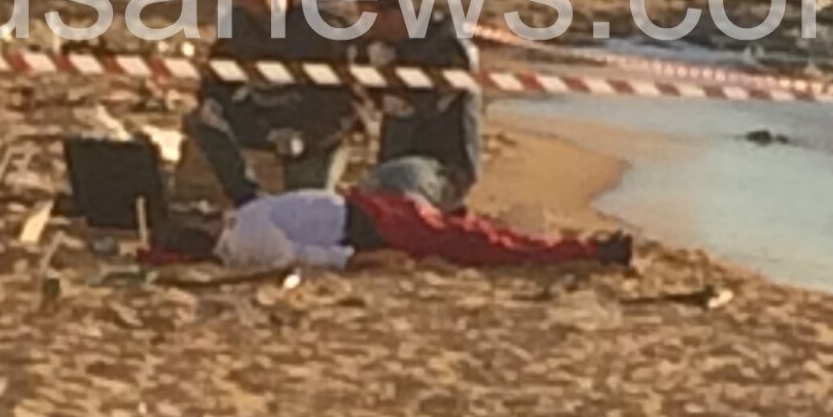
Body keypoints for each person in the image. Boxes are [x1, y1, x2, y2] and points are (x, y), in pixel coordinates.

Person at [183, 0, 359, 206]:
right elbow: (217, 79)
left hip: (313, 130)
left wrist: (308, 136)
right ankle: (247, 198)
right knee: (201, 122)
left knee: (305, 208)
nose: (267, 5)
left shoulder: (321, 29)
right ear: (243, 0)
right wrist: (214, 105)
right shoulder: (237, 29)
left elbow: (346, 101)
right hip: (263, 119)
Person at [212, 183, 631, 275]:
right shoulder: (247, 233)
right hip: (369, 221)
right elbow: (299, 256)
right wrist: (363, 260)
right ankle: (585, 252)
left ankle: (579, 250)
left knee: (471, 236)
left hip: (369, 212)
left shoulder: (245, 223)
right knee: (478, 242)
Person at [359, 0, 484, 210]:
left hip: (444, 165)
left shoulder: (445, 45)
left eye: (371, 17)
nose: (366, 26)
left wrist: (394, 73)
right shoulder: (383, 45)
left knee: (397, 181)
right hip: (397, 154)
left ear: (397, 14)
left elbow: (432, 102)